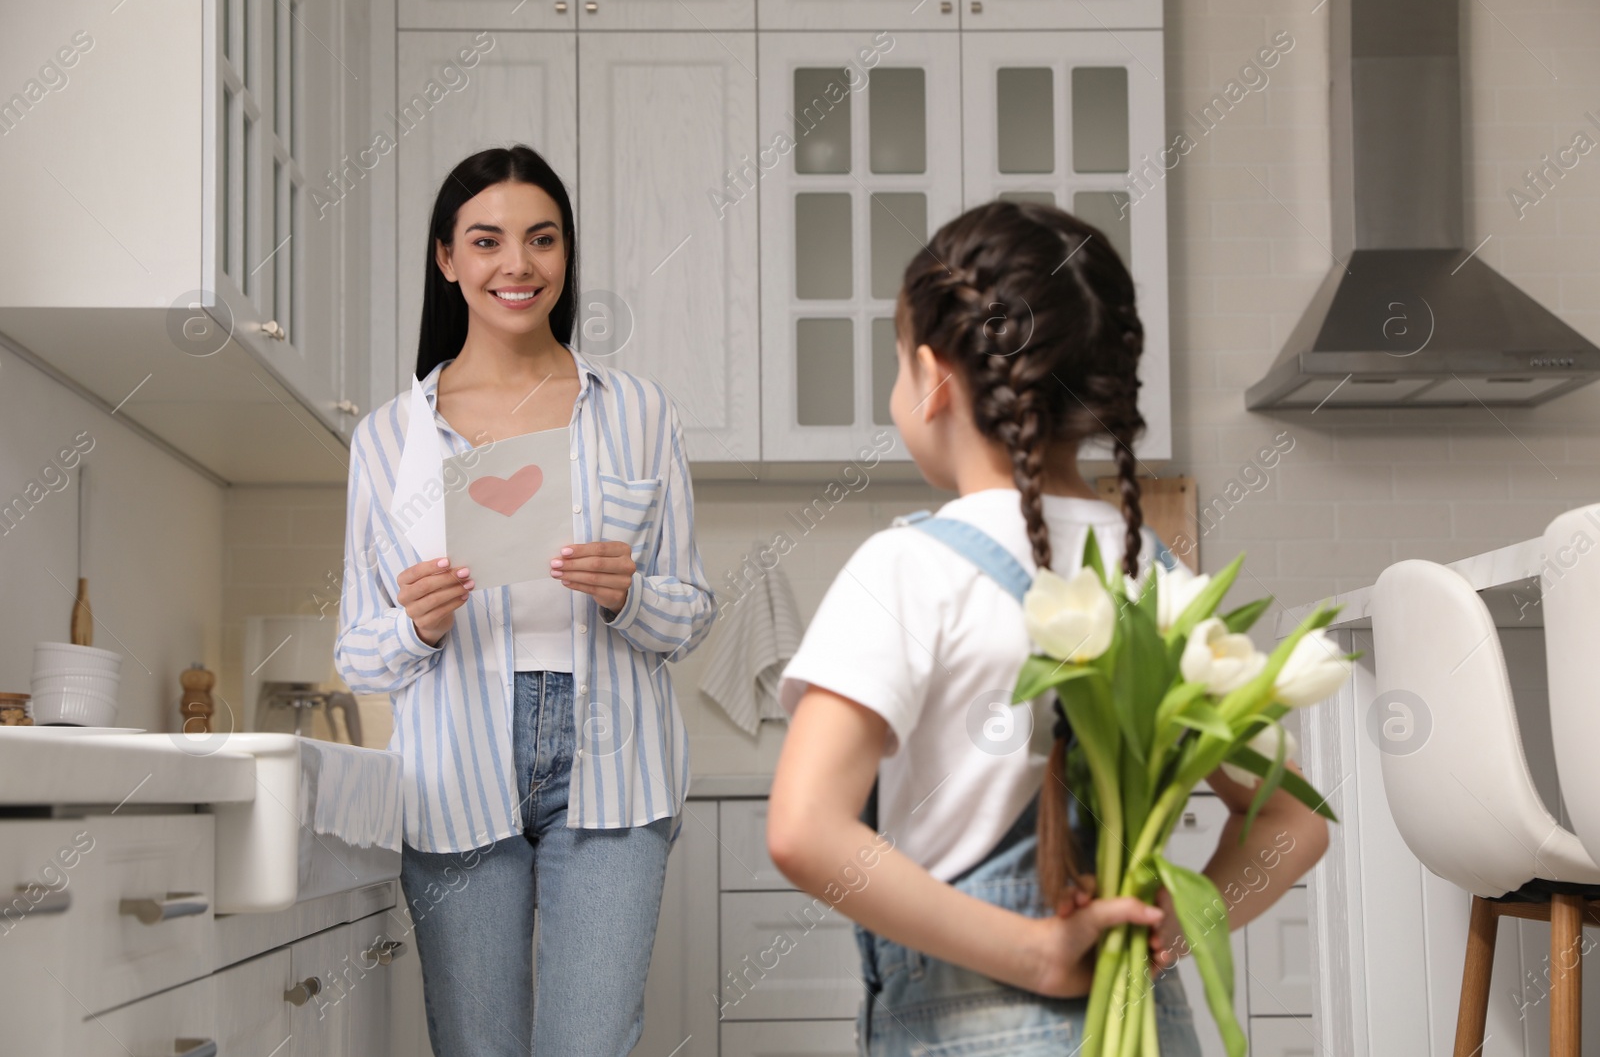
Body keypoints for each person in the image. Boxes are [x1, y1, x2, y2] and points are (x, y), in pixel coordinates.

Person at [766, 201, 1329, 1056]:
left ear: (933, 376)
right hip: (1146, 1024)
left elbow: (806, 831)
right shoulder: (1165, 585)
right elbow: (1294, 823)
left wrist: (1035, 951)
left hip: (965, 1025)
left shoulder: (908, 567)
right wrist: (1161, 936)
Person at [333, 144, 716, 1057]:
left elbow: (692, 610)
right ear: (447, 258)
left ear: (566, 255)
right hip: (452, 763)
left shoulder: (637, 412)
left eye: (542, 240)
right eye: (488, 240)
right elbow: (358, 650)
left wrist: (628, 595)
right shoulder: (389, 438)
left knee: (591, 1044)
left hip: (614, 762)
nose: (518, 265)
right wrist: (416, 624)